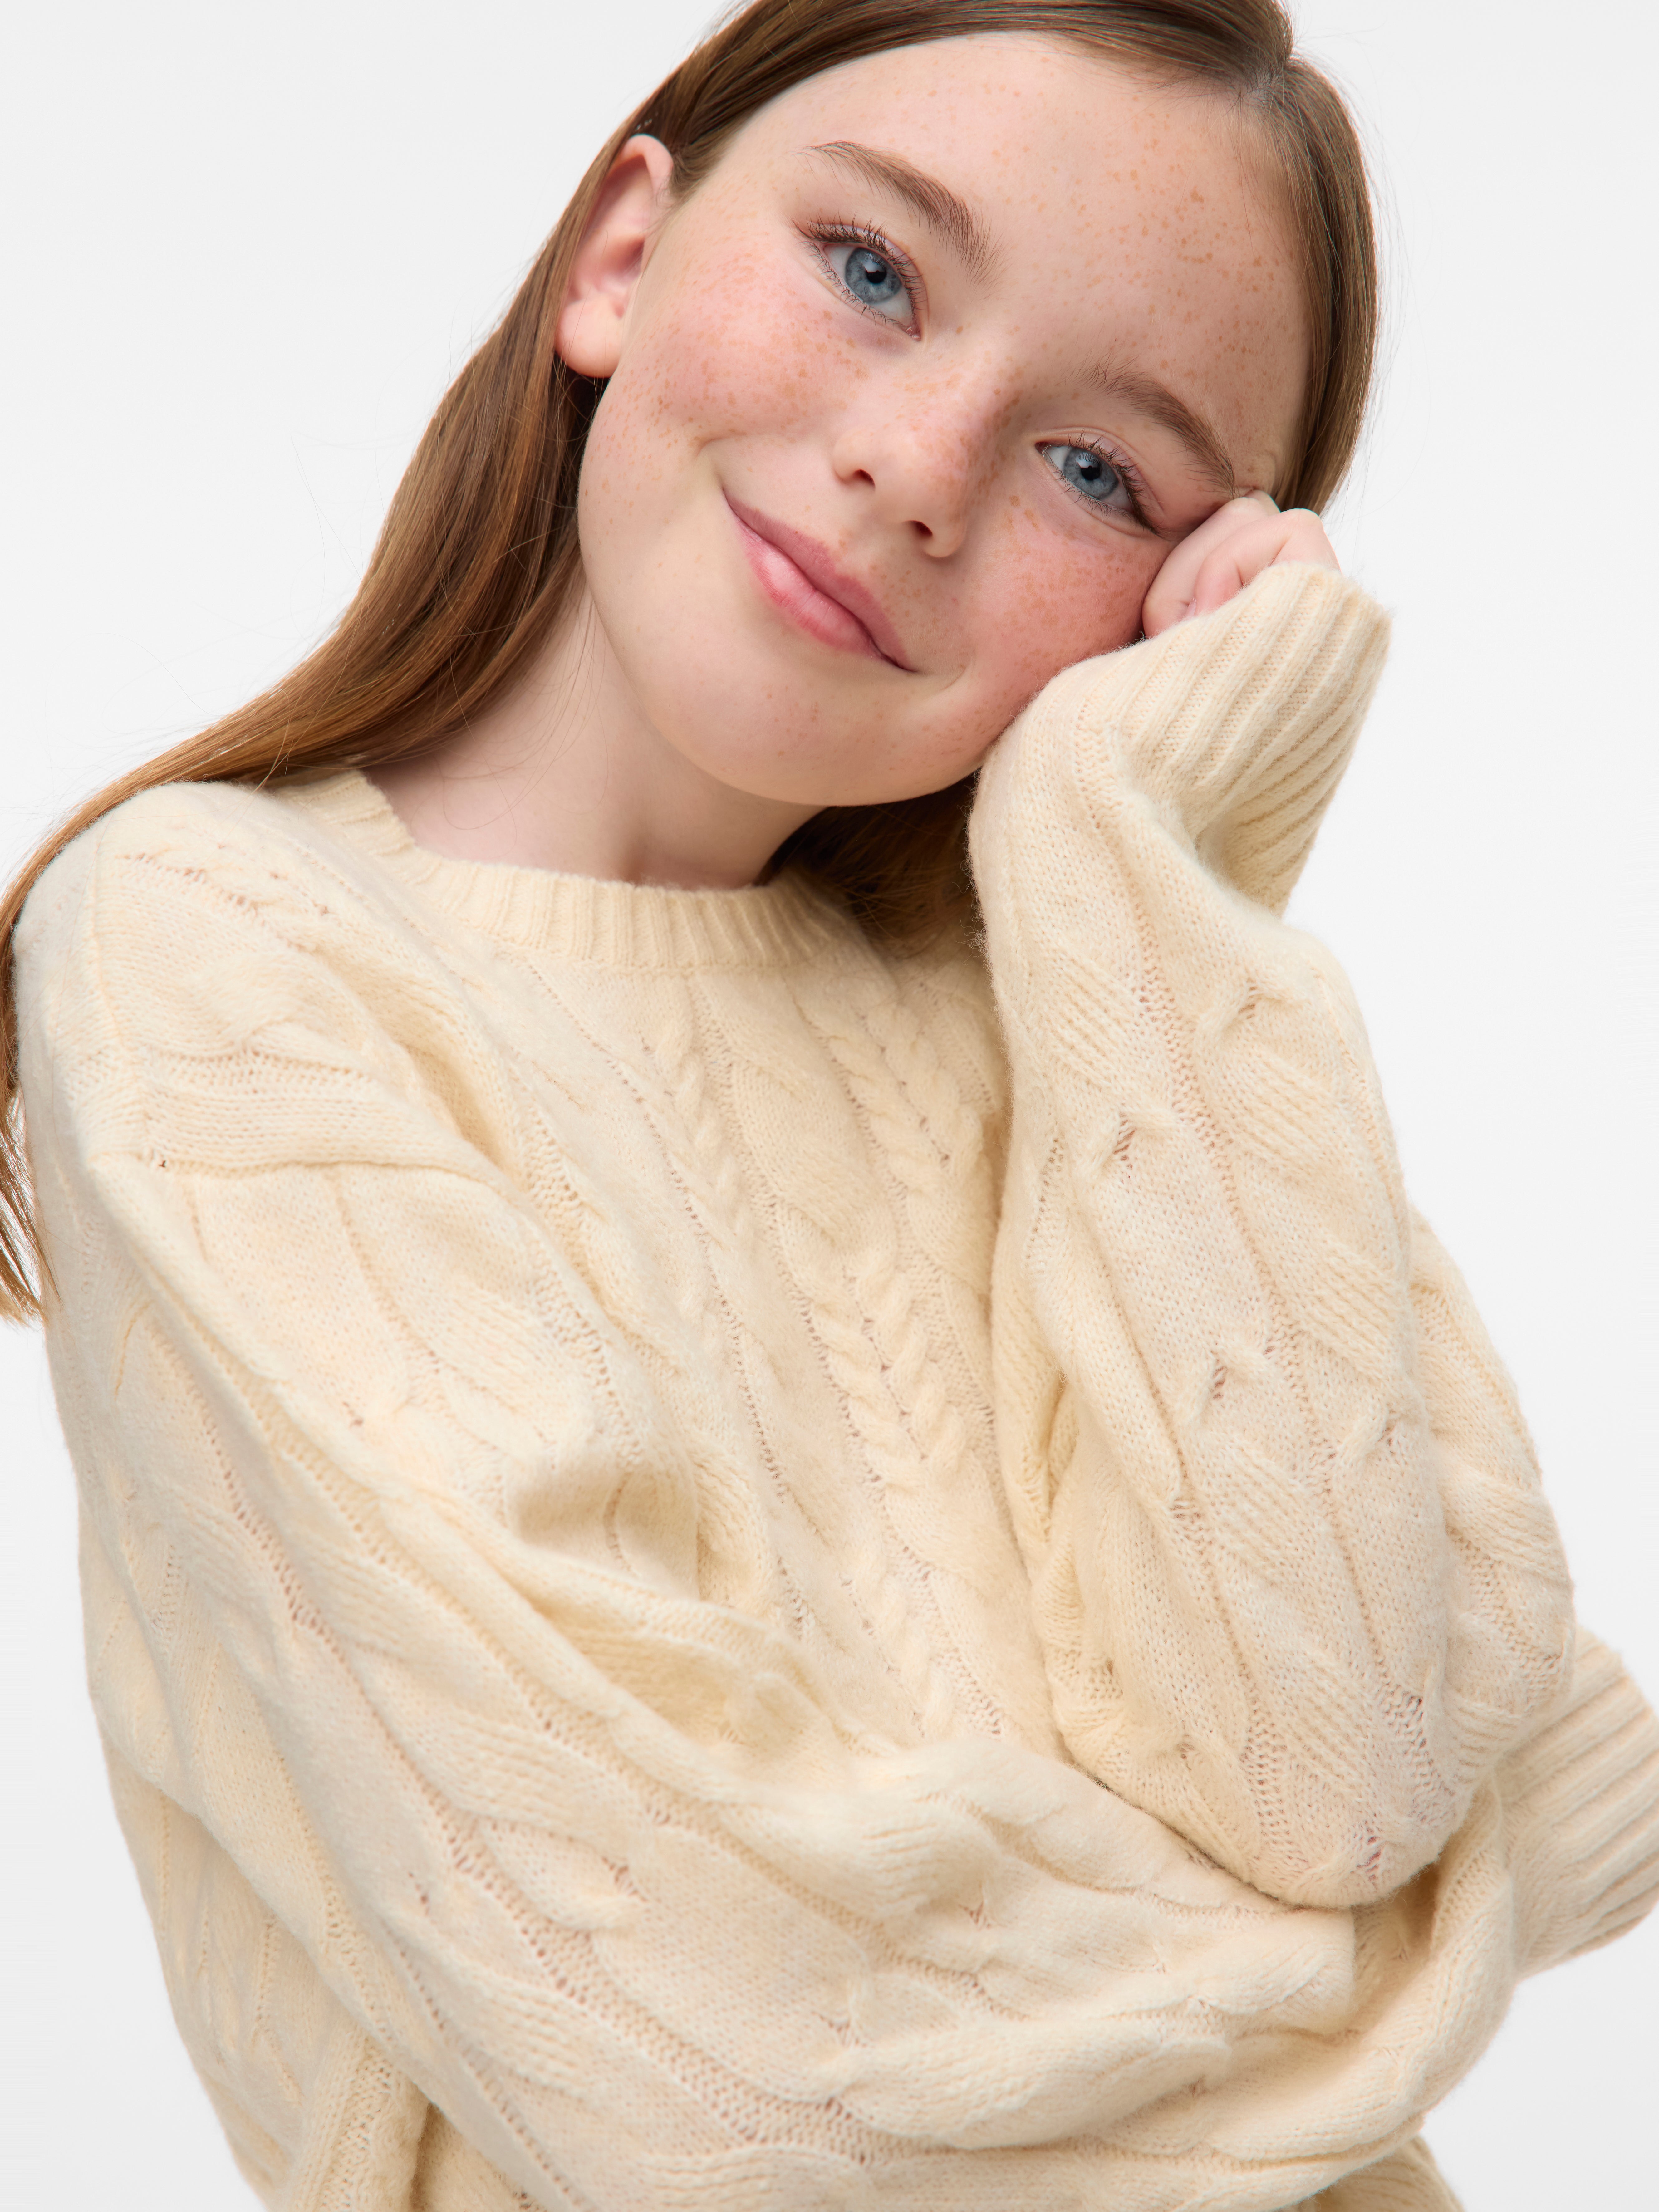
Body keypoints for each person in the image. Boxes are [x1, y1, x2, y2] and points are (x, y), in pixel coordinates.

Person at [3, 2, 1655, 2206]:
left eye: (1101, 472)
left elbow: (1347, 1781)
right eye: (873, 270)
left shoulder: (1080, 1014)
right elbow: (707, 2062)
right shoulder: (223, 953)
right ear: (621, 254)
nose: (922, 465)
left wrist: (1134, 866)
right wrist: (1443, 1940)